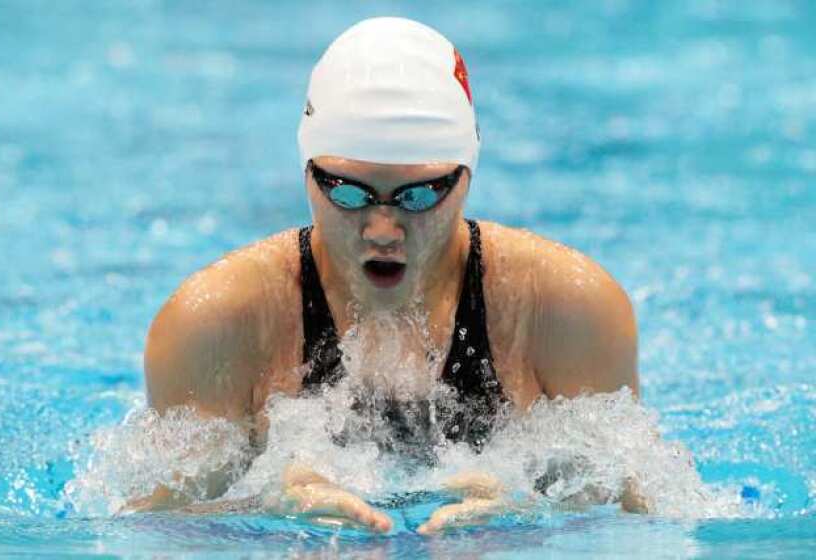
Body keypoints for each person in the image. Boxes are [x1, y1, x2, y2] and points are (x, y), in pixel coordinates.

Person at [130, 17, 641, 533]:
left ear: (467, 174)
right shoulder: (217, 323)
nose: (382, 228)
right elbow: (152, 529)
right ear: (307, 171)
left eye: (419, 195)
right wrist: (263, 515)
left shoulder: (564, 311)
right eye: (347, 191)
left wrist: (535, 520)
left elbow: (646, 514)